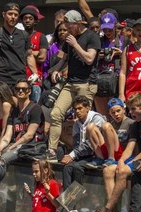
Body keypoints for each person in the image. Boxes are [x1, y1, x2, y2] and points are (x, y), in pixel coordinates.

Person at [46, 9, 100, 160]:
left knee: (83, 119)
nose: (67, 30)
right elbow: (64, 59)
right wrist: (55, 70)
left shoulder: (92, 36)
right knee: (55, 114)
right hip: (71, 82)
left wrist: (75, 44)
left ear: (78, 24)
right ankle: (52, 149)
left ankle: (83, 151)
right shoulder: (70, 38)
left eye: (70, 27)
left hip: (86, 83)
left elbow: (89, 59)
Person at [0, 3, 38, 87]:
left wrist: (35, 73)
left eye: (16, 15)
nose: (13, 17)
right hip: (2, 80)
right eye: (10, 14)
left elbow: (29, 55)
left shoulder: (24, 35)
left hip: (21, 79)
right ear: (4, 14)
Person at [20, 6, 48, 104]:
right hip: (20, 79)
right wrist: (35, 52)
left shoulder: (41, 36)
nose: (27, 20)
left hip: (35, 81)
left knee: (34, 108)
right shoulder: (17, 36)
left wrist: (27, 52)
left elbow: (42, 58)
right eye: (25, 18)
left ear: (35, 21)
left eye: (30, 18)